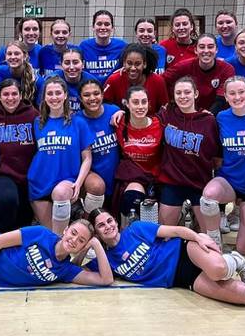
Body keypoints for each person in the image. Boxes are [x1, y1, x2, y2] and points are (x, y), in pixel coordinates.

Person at [89, 210, 245, 305]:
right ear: (97, 233)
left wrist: (198, 238)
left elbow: (176, 231)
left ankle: (236, 259)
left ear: (116, 222)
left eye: (109, 221)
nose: (108, 226)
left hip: (185, 251)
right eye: (101, 225)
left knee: (218, 270)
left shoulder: (135, 229)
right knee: (244, 296)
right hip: (181, 280)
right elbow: (73, 268)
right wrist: (90, 244)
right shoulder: (105, 260)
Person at [200, 76, 245, 253]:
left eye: (241, 92)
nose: (237, 97)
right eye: (232, 93)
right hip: (228, 181)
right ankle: (214, 240)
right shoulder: (222, 117)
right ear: (225, 96)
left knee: (244, 249)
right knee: (208, 196)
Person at [28, 77, 94, 234]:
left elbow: (87, 158)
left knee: (61, 193)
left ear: (65, 95)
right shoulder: (38, 122)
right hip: (39, 182)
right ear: (44, 97)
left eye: (58, 93)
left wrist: (78, 183)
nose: (54, 97)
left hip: (66, 179)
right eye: (50, 93)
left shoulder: (78, 122)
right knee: (53, 236)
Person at [156, 76, 220, 228]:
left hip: (199, 183)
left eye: (187, 92)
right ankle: (183, 214)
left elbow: (217, 156)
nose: (183, 96)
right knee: (165, 232)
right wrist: (122, 113)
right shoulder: (166, 115)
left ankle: (190, 214)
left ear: (196, 94)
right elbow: (142, 122)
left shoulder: (208, 120)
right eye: (178, 93)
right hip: (172, 181)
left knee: (210, 234)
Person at [0, 79, 38, 232]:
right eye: (6, 94)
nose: (10, 98)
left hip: (29, 175)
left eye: (14, 93)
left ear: (21, 95)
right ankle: (3, 239)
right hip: (3, 174)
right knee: (8, 200)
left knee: (23, 220)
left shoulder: (34, 115)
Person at [113, 86, 163, 221]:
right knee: (131, 201)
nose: (140, 106)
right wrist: (118, 113)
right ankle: (125, 235)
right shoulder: (119, 123)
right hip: (133, 176)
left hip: (157, 178)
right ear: (127, 104)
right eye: (135, 102)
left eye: (144, 102)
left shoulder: (160, 123)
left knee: (152, 219)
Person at [77, 80, 121, 215]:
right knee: (96, 186)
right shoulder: (76, 120)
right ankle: (86, 222)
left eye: (96, 93)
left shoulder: (114, 111)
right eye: (86, 95)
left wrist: (124, 113)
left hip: (116, 174)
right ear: (80, 98)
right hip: (91, 174)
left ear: (102, 95)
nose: (92, 98)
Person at [164, 34, 235, 114]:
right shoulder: (183, 66)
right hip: (187, 114)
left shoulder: (226, 69)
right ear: (195, 50)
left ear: (216, 50)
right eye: (201, 47)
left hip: (215, 115)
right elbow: (162, 79)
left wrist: (207, 115)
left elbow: (221, 99)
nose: (206, 50)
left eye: (210, 47)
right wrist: (168, 102)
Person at [102, 43, 168, 116]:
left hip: (150, 124)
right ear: (124, 63)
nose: (133, 68)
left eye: (137, 64)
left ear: (144, 64)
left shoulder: (157, 81)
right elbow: (103, 105)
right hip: (122, 125)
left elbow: (164, 109)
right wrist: (115, 112)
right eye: (129, 63)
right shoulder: (114, 80)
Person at [41, 48, 99, 113]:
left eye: (75, 62)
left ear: (83, 64)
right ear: (61, 64)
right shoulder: (51, 80)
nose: (71, 67)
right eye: (67, 63)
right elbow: (43, 108)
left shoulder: (91, 82)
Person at [78, 10, 126, 85]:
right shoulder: (84, 46)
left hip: (114, 88)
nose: (103, 27)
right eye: (99, 24)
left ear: (112, 28)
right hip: (90, 89)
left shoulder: (122, 46)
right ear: (93, 27)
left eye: (107, 24)